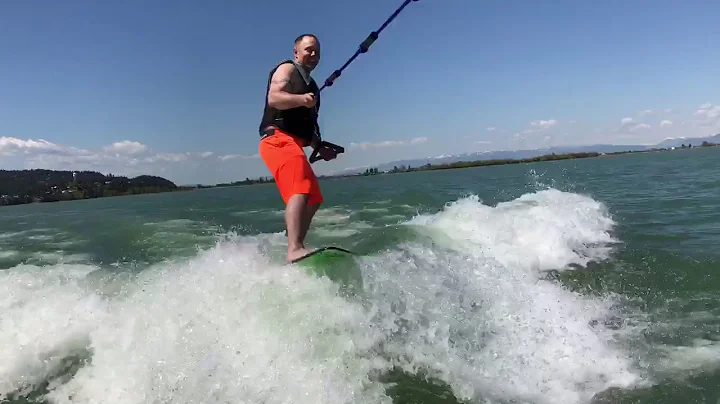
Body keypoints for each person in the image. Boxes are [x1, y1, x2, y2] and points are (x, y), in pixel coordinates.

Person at [258, 34, 338, 263]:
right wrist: (302, 99)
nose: (313, 55)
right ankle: (294, 248)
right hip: (276, 139)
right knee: (300, 188)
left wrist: (320, 147)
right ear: (296, 52)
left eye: (317, 51)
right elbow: (274, 98)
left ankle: (296, 248)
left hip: (293, 142)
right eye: (308, 49)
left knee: (314, 198)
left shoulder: (312, 87)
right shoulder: (287, 69)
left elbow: (306, 128)